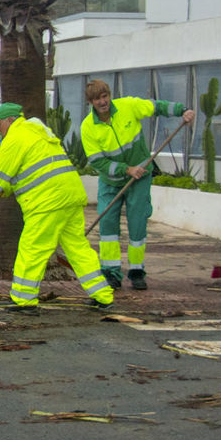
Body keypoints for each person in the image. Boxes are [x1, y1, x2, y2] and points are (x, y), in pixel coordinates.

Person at [0, 103, 115, 315]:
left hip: (48, 202)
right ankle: (103, 296)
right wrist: (6, 190)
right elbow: (29, 171)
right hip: (70, 196)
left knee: (32, 249)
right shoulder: (38, 133)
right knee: (78, 248)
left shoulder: (15, 138)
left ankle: (23, 300)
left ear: (10, 120)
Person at [79, 80, 195, 291]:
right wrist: (126, 169)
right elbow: (98, 162)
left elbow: (155, 106)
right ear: (91, 102)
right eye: (98, 99)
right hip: (111, 181)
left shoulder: (128, 106)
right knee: (107, 228)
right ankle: (111, 273)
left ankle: (136, 272)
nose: (103, 102)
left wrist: (183, 111)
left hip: (140, 178)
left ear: (109, 95)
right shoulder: (88, 127)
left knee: (137, 224)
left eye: (105, 96)